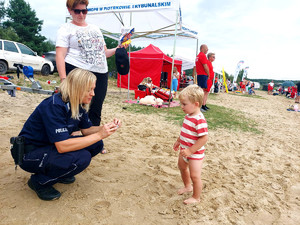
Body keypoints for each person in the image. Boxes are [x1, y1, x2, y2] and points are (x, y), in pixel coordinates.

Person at [14, 68, 121, 201]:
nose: (93, 94)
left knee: (96, 144)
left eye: (93, 89)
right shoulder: (54, 105)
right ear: (77, 88)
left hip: (48, 147)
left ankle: (59, 172)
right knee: (82, 157)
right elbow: (62, 146)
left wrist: (106, 127)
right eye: (89, 89)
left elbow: (86, 130)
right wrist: (100, 134)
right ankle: (39, 181)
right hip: (29, 154)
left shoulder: (76, 104)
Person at [56, 0, 125, 127]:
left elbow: (104, 52)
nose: (81, 14)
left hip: (100, 73)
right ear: (70, 10)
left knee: (96, 108)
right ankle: (73, 137)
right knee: (76, 108)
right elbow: (60, 55)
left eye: (84, 11)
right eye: (77, 11)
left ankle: (92, 142)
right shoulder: (65, 28)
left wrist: (118, 48)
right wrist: (63, 79)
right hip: (79, 72)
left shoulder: (95, 28)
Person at [173, 84, 208, 205]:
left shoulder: (199, 119)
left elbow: (204, 138)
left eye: (184, 104)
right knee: (182, 167)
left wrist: (191, 151)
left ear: (196, 104)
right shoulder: (188, 116)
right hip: (184, 150)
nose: (181, 106)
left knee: (195, 176)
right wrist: (179, 140)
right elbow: (185, 131)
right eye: (181, 103)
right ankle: (188, 186)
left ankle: (196, 197)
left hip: (195, 153)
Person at [195, 44, 210, 112]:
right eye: (206, 48)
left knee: (201, 91)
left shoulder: (198, 56)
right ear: (202, 48)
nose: (207, 50)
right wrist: (208, 74)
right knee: (202, 91)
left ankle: (200, 105)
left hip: (199, 75)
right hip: (203, 75)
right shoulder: (202, 55)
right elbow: (205, 66)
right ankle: (200, 106)